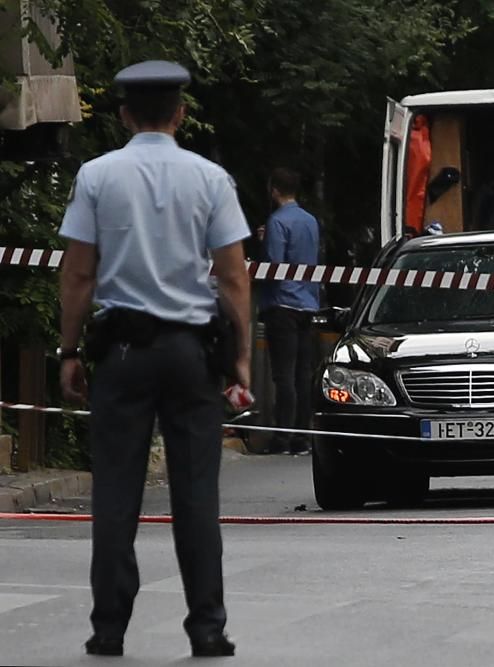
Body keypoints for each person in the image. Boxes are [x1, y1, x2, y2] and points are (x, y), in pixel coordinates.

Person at [57, 60, 250, 657]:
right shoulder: (211, 178)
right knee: (197, 494)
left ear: (122, 114)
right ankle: (208, 627)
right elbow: (234, 278)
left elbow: (79, 273)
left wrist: (69, 350)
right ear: (181, 114)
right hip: (192, 354)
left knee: (116, 493)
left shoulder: (96, 176)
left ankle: (109, 628)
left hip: (121, 352)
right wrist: (239, 361)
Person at [259, 167, 321, 455]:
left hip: (282, 303)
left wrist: (262, 243)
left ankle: (283, 437)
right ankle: (303, 436)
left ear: (274, 190)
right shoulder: (310, 221)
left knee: (283, 373)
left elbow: (274, 264)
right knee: (303, 371)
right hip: (308, 302)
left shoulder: (276, 222)